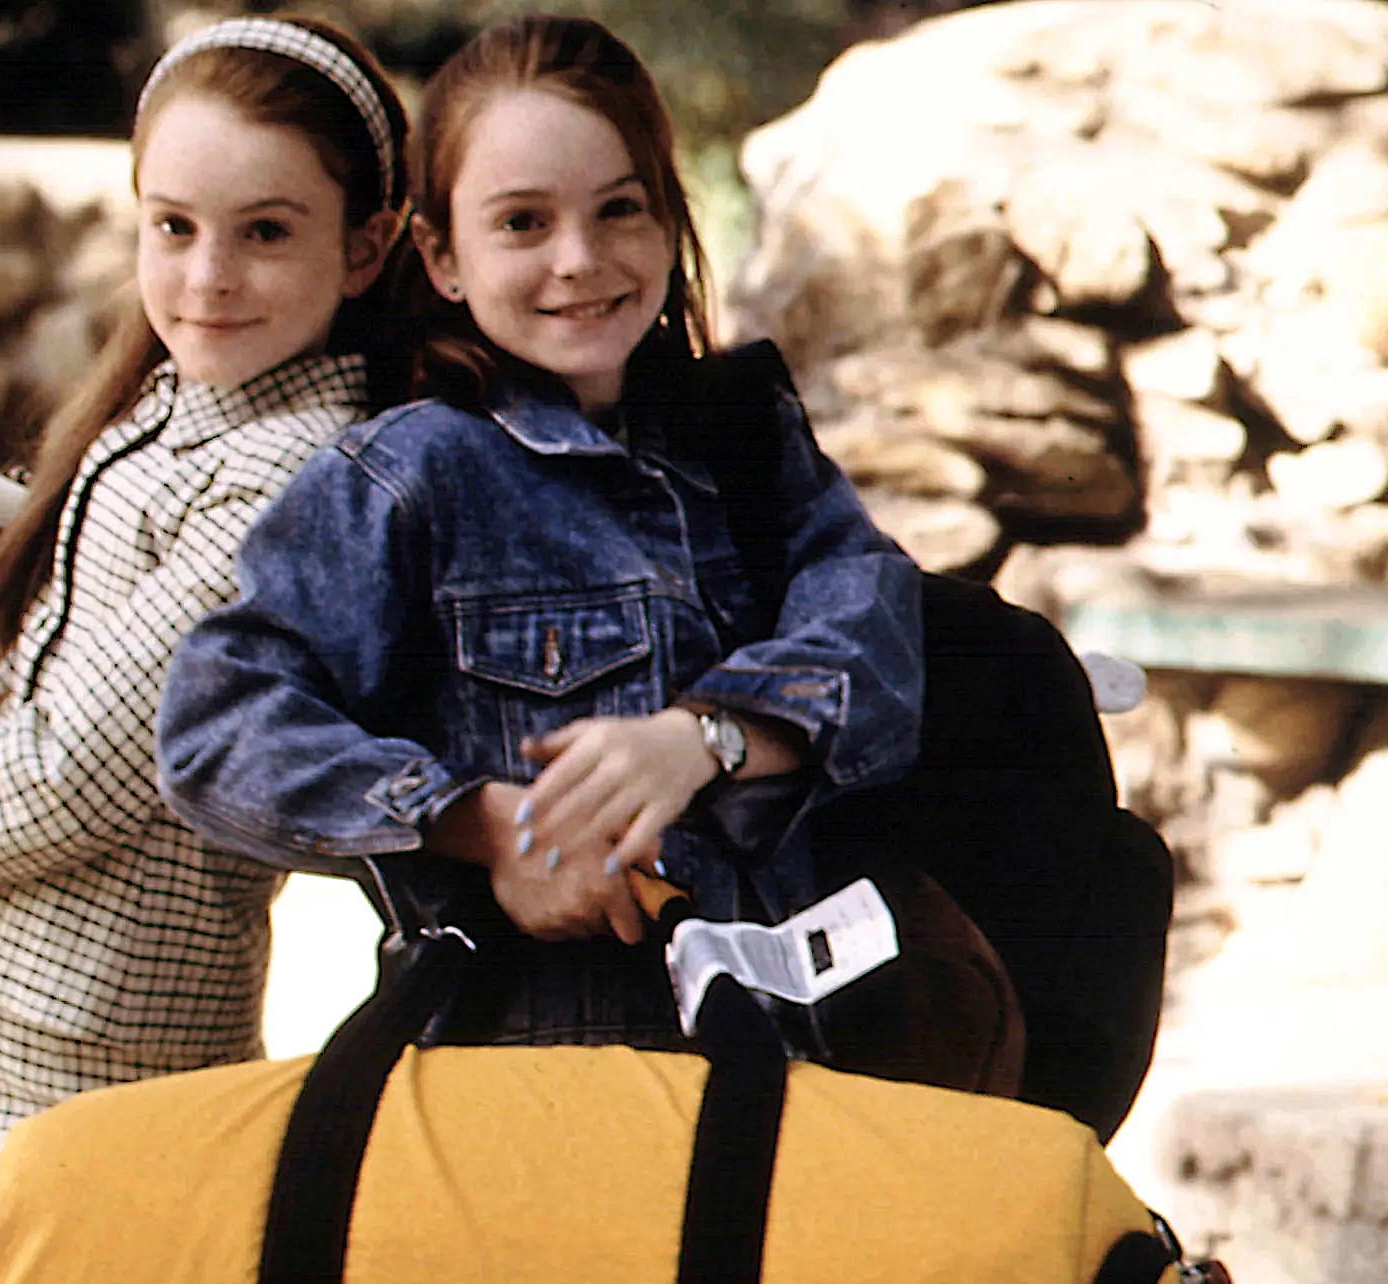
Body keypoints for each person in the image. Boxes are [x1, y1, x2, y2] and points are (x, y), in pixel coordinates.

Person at [155, 15, 934, 1055]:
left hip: (792, 1055)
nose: (579, 260)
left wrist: (707, 739)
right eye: (521, 222)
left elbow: (879, 630)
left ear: (668, 221)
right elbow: (217, 727)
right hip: (521, 1075)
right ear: (438, 255)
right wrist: (486, 829)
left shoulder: (743, 441)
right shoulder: (407, 475)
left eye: (619, 210)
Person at [0, 15, 411, 1215]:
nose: (206, 275)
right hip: (20, 1016)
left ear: (364, 248)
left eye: (265, 233)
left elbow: (76, 771)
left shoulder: (287, 475)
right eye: (172, 227)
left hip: (105, 1041)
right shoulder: (176, 409)